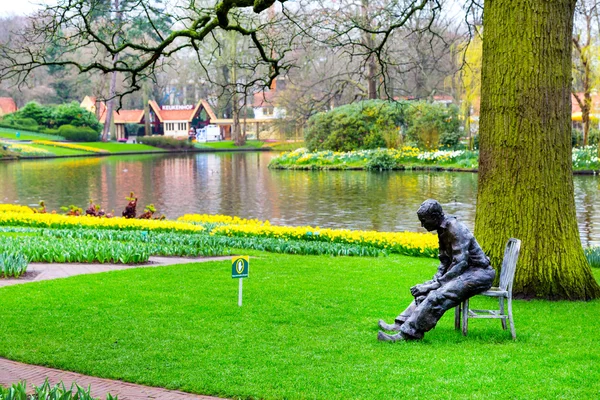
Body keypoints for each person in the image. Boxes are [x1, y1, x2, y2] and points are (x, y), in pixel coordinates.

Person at [378, 199, 496, 342]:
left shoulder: (455, 229)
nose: (422, 225)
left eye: (424, 221)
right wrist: (432, 282)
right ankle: (400, 324)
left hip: (479, 273)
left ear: (435, 217)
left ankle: (409, 334)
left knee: (438, 295)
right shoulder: (442, 230)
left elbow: (461, 263)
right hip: (465, 271)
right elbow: (444, 261)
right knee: (426, 290)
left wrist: (436, 285)